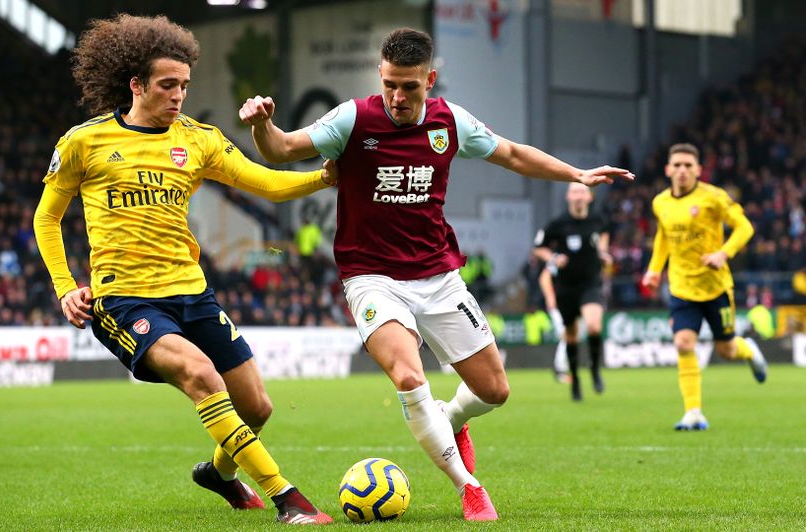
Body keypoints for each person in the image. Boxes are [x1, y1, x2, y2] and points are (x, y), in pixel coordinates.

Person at [238, 27, 633, 521]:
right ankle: (468, 486)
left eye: (410, 86)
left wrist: (575, 174)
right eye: (390, 85)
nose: (398, 97)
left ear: (431, 78)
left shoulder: (451, 122)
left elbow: (510, 153)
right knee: (408, 374)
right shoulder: (353, 118)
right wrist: (261, 125)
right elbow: (281, 149)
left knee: (494, 390)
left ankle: (451, 418)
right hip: (371, 275)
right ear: (379, 76)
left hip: (438, 275)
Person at [32, 14, 334, 525]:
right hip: (124, 301)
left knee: (257, 408)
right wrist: (64, 287)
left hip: (192, 294)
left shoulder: (198, 139)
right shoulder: (84, 142)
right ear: (136, 85)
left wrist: (325, 177)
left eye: (185, 86)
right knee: (201, 376)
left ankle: (219, 473)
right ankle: (288, 499)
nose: (178, 96)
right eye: (168, 85)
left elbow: (267, 183)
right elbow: (47, 217)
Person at [641, 143, 767, 431]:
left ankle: (748, 350)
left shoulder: (713, 197)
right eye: (678, 165)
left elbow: (745, 227)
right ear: (668, 169)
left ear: (698, 170)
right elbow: (664, 235)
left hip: (716, 287)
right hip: (682, 287)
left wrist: (723, 253)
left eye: (688, 166)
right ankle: (693, 412)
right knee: (683, 343)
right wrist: (653, 270)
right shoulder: (660, 202)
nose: (683, 170)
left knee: (727, 350)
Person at [533, 183, 612, 401]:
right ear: (568, 196)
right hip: (567, 287)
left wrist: (603, 253)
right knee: (571, 335)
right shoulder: (558, 224)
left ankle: (595, 370)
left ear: (589, 197)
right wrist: (553, 258)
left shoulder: (598, 220)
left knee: (594, 326)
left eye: (582, 192)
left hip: (591, 283)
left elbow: (604, 236)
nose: (578, 196)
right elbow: (539, 247)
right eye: (574, 192)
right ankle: (575, 379)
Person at [537, 267, 570, 384]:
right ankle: (560, 370)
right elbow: (544, 277)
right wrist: (549, 296)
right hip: (558, 305)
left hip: (567, 304)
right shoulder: (559, 258)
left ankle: (562, 369)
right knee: (566, 335)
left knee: (569, 335)